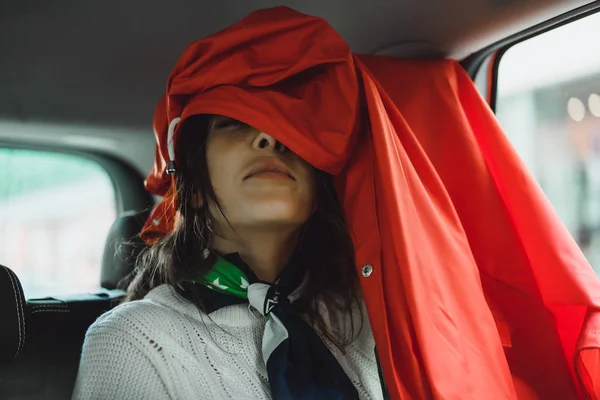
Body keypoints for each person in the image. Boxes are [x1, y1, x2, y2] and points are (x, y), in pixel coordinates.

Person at [73, 6, 600, 400]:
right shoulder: (132, 343)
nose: (270, 140)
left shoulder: (374, 312)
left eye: (293, 126)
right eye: (235, 123)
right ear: (191, 173)